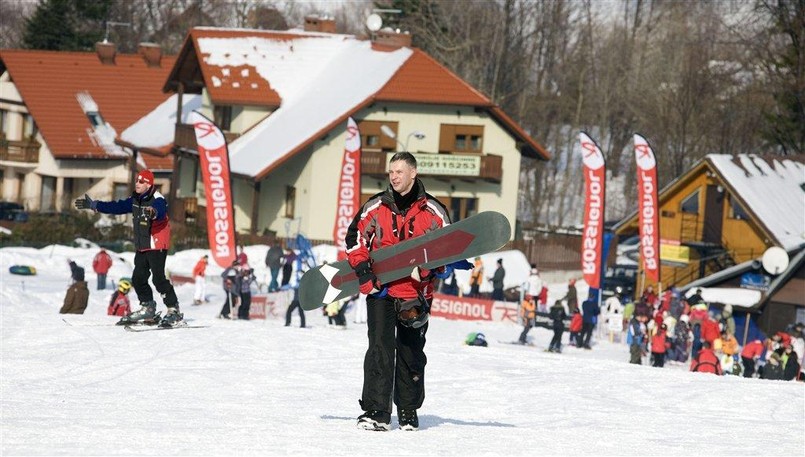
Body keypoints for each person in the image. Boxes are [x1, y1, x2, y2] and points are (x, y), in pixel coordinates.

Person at [345, 152, 451, 432]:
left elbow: (449, 250)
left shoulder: (434, 211)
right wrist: (364, 270)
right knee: (379, 350)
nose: (394, 176)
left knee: (411, 352)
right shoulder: (376, 206)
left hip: (416, 295)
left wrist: (429, 269)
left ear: (413, 173)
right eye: (391, 171)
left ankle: (407, 411)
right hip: (381, 291)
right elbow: (354, 238)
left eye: (399, 171)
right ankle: (377, 411)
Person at [74, 169, 183, 328]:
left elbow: (160, 210)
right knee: (138, 278)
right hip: (143, 244)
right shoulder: (135, 200)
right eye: (137, 180)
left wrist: (153, 211)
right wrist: (94, 205)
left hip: (157, 243)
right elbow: (117, 207)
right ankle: (148, 307)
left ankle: (173, 310)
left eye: (141, 181)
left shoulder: (158, 199)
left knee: (158, 278)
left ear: (149, 184)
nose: (137, 183)